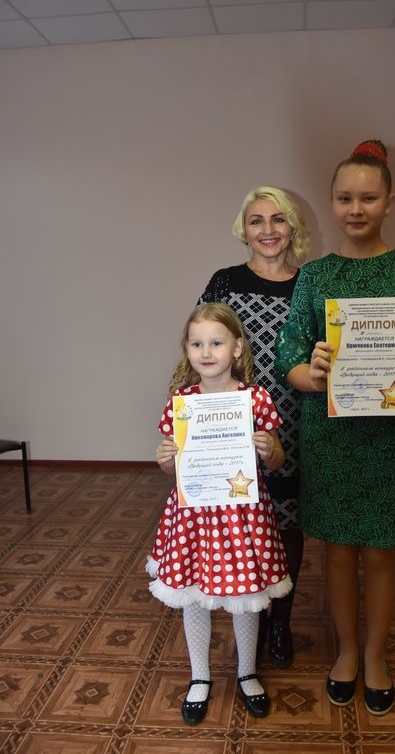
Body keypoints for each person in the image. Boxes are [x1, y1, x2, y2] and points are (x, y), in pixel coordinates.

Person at [276, 140, 395, 715]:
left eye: (369, 198)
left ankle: (375, 655)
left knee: (379, 551)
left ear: (389, 202)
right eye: (345, 198)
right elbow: (289, 357)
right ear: (331, 202)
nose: (356, 209)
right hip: (329, 435)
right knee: (338, 551)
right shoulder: (314, 276)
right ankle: (347, 650)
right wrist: (312, 374)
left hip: (387, 437)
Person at [147, 302, 292, 725]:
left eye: (216, 343)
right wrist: (164, 459)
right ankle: (200, 676)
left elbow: (277, 460)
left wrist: (270, 449)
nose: (206, 352)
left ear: (237, 348)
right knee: (194, 594)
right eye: (196, 344)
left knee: (244, 598)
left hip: (242, 515)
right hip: (194, 516)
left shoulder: (255, 399)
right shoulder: (181, 403)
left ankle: (247, 672)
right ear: (187, 350)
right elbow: (172, 468)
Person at [198, 186, 311, 667]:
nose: (268, 230)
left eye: (278, 219)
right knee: (244, 522)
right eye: (257, 220)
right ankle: (252, 617)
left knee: (286, 524)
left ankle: (280, 619)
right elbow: (202, 339)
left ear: (293, 227)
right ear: (243, 230)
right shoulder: (224, 282)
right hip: (232, 425)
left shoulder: (310, 284)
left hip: (294, 422)